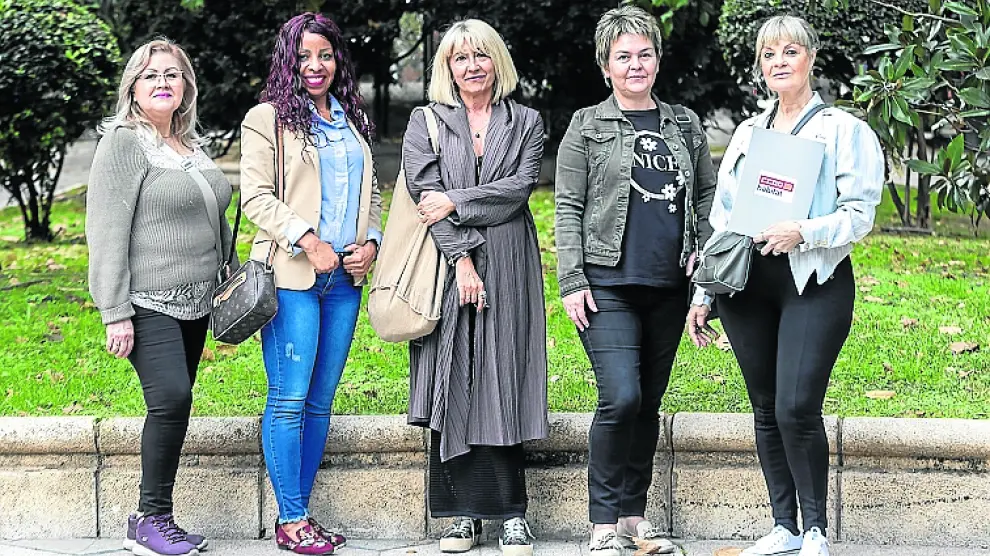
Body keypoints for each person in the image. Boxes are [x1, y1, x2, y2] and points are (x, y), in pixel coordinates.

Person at [686, 15, 883, 556]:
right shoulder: (750, 133)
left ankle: (816, 530)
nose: (779, 62)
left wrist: (804, 231)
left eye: (789, 51)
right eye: (768, 54)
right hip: (747, 286)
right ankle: (784, 527)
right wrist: (705, 292)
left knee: (797, 405)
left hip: (814, 279)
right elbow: (725, 219)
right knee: (766, 406)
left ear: (810, 58)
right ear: (760, 66)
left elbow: (860, 215)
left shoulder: (843, 130)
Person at [554, 6, 718, 556]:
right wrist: (572, 278)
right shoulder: (585, 125)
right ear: (606, 66)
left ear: (657, 58)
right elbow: (568, 206)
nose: (635, 65)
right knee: (620, 397)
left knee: (647, 401)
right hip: (606, 283)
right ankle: (602, 522)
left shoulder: (686, 124)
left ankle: (633, 517)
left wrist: (706, 265)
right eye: (622, 57)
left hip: (669, 284)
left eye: (643, 54)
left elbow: (706, 198)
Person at [401, 18, 548, 556]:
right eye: (460, 58)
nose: (472, 67)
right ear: (447, 68)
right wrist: (462, 258)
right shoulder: (427, 122)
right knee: (454, 375)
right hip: (447, 265)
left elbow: (518, 189)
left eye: (481, 56)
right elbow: (424, 194)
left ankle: (511, 515)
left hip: (510, 260)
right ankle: (460, 516)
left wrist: (458, 201)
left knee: (502, 375)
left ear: (497, 61)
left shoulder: (527, 120)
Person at [239, 12, 382, 555]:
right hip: (293, 276)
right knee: (290, 398)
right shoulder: (268, 119)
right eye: (303, 56)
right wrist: (309, 240)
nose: (315, 66)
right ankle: (290, 518)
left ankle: (302, 515)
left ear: (337, 59)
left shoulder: (353, 120)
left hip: (344, 280)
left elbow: (367, 193)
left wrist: (370, 242)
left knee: (320, 402)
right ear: (288, 61)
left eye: (324, 55)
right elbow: (255, 196)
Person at [87, 38, 234, 556]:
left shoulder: (191, 147)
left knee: (174, 407)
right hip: (147, 300)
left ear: (186, 86)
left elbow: (215, 214)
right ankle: (151, 519)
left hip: (197, 301)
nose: (163, 83)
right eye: (151, 76)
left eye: (173, 74)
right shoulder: (124, 143)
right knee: (171, 397)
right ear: (133, 87)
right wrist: (114, 311)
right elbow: (105, 230)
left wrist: (231, 282)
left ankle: (149, 522)